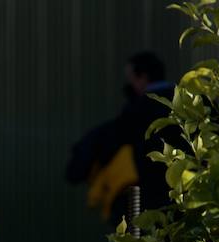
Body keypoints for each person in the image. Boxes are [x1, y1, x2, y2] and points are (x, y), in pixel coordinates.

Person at [65, 51, 180, 222]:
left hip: (149, 195)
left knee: (143, 233)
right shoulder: (189, 102)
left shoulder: (138, 109)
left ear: (142, 77)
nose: (129, 85)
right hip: (188, 193)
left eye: (130, 78)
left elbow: (111, 139)